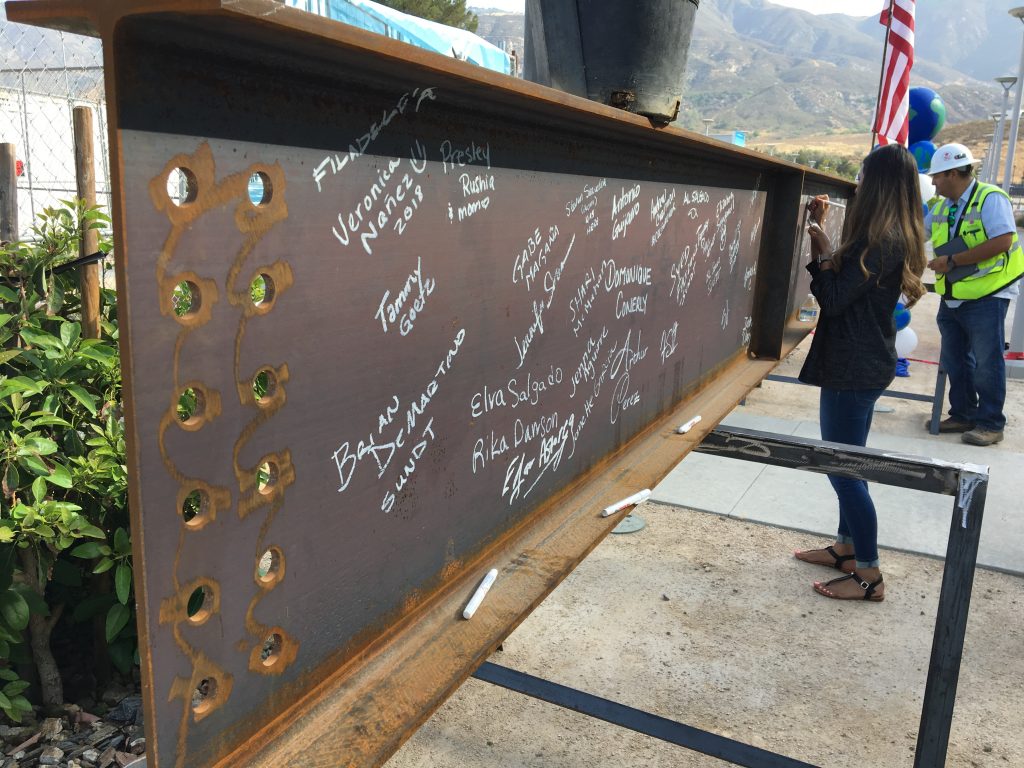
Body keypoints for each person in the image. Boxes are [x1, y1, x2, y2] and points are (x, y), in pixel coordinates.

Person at [794, 144, 927, 602]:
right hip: (865, 362)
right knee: (848, 460)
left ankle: (868, 574)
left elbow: (832, 299)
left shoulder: (881, 242)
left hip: (853, 367)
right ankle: (846, 548)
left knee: (844, 469)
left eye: (864, 176)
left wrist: (820, 248)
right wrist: (830, 243)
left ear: (878, 184)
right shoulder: (891, 235)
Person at [925, 143, 1023, 446]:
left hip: (988, 294)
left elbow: (1002, 241)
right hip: (954, 294)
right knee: (956, 360)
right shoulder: (942, 207)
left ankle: (991, 423)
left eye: (938, 176)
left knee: (987, 361)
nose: (933, 182)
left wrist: (952, 261)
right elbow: (919, 232)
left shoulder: (991, 199)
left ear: (954, 173)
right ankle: (964, 413)